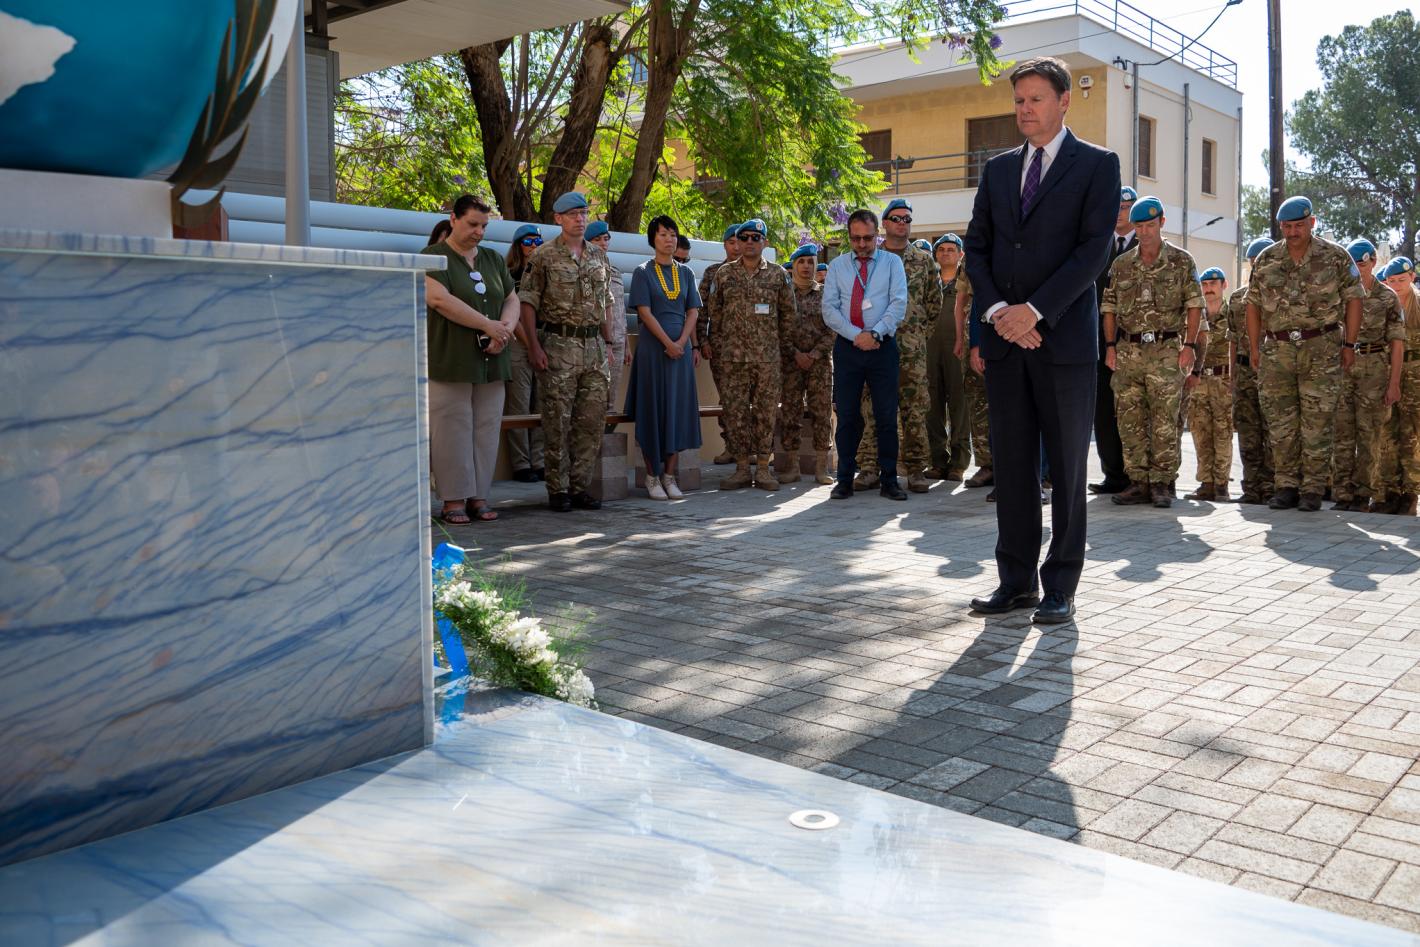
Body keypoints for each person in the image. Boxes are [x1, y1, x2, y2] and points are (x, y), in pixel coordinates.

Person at [963, 55, 1119, 624]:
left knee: (1069, 470)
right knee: (1012, 466)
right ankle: (1016, 581)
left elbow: (1093, 251)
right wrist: (999, 312)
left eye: (1035, 99)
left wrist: (1034, 312)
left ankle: (1060, 586)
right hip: (1005, 342)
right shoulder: (999, 170)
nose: (1024, 110)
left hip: (1063, 344)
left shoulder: (1097, 165)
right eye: (1018, 101)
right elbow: (977, 247)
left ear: (1064, 101)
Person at [1245, 195, 1363, 512]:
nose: (1293, 232)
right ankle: (1285, 486)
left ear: (1312, 223)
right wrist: (1255, 347)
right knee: (1280, 423)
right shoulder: (1267, 259)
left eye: (1299, 226)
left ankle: (1312, 488)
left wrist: (1349, 344)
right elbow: (1253, 306)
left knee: (1318, 422)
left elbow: (1355, 300)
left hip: (1321, 349)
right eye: (1287, 227)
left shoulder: (1336, 257)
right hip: (1278, 351)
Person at [1099, 197, 1203, 509]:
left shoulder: (1182, 261)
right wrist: (1110, 347)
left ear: (1162, 223)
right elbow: (1109, 309)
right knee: (1129, 419)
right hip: (1128, 351)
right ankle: (1138, 482)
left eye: (1150, 225)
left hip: (1166, 350)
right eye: (1140, 226)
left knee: (1164, 420)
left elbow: (1194, 306)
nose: (1144, 232)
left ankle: (1161, 483)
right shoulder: (1121, 265)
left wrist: (1189, 346)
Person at [422, 195, 519, 524]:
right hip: (451, 360)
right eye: (473, 224)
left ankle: (479, 496)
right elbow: (439, 300)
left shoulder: (492, 259)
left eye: (484, 226)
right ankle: (453, 500)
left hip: (493, 360)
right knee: (452, 430)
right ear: (453, 219)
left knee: (486, 429)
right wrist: (487, 325)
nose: (479, 231)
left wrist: (503, 332)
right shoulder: (433, 257)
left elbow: (511, 299)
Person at [519, 191, 616, 513]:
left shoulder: (599, 256)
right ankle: (558, 489)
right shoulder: (543, 256)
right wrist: (533, 345)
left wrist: (609, 344)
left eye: (584, 213)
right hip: (558, 346)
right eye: (573, 214)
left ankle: (579, 487)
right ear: (558, 219)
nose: (580, 219)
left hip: (594, 348)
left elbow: (606, 303)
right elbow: (528, 303)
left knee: (591, 421)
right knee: (557, 421)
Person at [853, 197, 941, 494]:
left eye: (907, 219)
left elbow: (934, 304)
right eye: (897, 218)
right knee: (872, 408)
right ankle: (870, 468)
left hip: (912, 351)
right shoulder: (870, 259)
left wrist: (917, 336)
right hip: (876, 347)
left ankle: (915, 470)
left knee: (914, 410)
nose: (903, 224)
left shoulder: (924, 261)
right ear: (885, 224)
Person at [823, 208, 909, 500]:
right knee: (847, 417)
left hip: (882, 347)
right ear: (849, 237)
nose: (862, 244)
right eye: (856, 238)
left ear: (877, 235)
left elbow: (898, 304)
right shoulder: (837, 266)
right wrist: (856, 336)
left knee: (886, 416)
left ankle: (889, 481)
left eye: (868, 238)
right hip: (848, 349)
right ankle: (844, 480)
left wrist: (875, 334)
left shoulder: (892, 263)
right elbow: (829, 309)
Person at [707, 218, 796, 491]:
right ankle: (742, 469)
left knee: (766, 414)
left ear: (764, 242)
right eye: (743, 237)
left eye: (755, 238)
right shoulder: (724, 274)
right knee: (735, 414)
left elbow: (788, 316)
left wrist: (780, 351)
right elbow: (714, 315)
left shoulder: (778, 275)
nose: (749, 242)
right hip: (732, 360)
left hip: (768, 359)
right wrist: (721, 349)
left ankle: (763, 469)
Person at [625, 215, 702, 500]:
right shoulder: (642, 272)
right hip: (653, 352)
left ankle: (670, 477)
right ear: (652, 239)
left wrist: (681, 343)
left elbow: (693, 311)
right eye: (663, 234)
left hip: (679, 354)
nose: (669, 239)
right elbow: (644, 313)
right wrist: (668, 343)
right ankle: (652, 477)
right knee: (652, 410)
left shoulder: (687, 274)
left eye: (672, 234)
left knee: (676, 411)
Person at [1331, 241, 1404, 512]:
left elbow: (1397, 343)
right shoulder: (1339, 295)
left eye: (1362, 263)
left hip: (1374, 368)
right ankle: (1343, 494)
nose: (1357, 269)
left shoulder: (1387, 297)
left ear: (1373, 262)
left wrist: (1394, 383)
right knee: (1342, 433)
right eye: (1353, 265)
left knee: (1369, 434)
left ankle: (1363, 495)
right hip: (1343, 367)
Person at [1090, 185, 1138, 494]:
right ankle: (1114, 474)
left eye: (1124, 207)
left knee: (1135, 410)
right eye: (1115, 207)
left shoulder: (1145, 246)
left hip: (1136, 343)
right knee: (1104, 410)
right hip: (1098, 342)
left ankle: (1140, 477)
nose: (1119, 212)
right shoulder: (1098, 245)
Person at [779, 243, 835, 485]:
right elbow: (777, 328)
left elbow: (833, 328)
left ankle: (822, 468)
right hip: (790, 364)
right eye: (801, 262)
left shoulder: (826, 294)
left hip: (819, 364)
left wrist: (813, 354)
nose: (806, 266)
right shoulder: (784, 294)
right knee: (790, 413)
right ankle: (792, 466)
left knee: (821, 413)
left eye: (810, 262)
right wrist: (795, 354)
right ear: (793, 266)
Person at [1227, 237, 1276, 504]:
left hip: (1273, 371)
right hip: (1245, 371)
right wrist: (1232, 375)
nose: (1257, 266)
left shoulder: (1279, 296)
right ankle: (1251, 487)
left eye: (1262, 262)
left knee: (1273, 430)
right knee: (1247, 432)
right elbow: (1233, 339)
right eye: (1253, 262)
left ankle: (1271, 487)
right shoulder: (1237, 298)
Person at [1185, 267, 1235, 501]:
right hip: (1199, 380)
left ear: (1224, 285)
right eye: (1204, 285)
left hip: (1223, 380)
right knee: (1200, 431)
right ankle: (1206, 483)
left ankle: (1221, 485)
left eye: (1213, 284)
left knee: (1223, 432)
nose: (1208, 289)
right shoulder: (1195, 316)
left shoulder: (1233, 314)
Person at [503, 222, 546, 483]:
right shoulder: (510, 274)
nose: (533, 246)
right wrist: (531, 344)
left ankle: (539, 461)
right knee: (519, 405)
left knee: (541, 404)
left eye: (538, 241)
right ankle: (521, 464)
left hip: (544, 340)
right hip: (519, 342)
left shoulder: (545, 272)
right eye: (528, 241)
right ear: (518, 246)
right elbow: (512, 313)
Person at [926, 233, 971, 481]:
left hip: (957, 349)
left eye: (951, 249)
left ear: (961, 254)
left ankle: (958, 463)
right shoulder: (929, 280)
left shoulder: (967, 281)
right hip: (930, 349)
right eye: (941, 249)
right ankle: (937, 461)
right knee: (931, 406)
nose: (945, 253)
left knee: (959, 405)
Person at [1380, 257, 1420, 514]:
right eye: (1392, 281)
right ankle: (1389, 491)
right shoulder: (1385, 304)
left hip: (1416, 374)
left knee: (1412, 434)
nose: (1396, 285)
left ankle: (1410, 493)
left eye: (1402, 280)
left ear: (1412, 277)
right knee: (1387, 432)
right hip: (1387, 372)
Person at [699, 224, 741, 464]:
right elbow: (701, 309)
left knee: (753, 398)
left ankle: (752, 449)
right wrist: (702, 340)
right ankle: (731, 446)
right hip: (721, 346)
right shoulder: (713, 272)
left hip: (754, 348)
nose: (736, 247)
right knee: (727, 396)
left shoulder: (758, 272)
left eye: (739, 242)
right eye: (731, 242)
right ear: (724, 245)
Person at [586, 220, 631, 418]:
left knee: (611, 401)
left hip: (618, 341)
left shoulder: (615, 272)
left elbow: (620, 310)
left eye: (606, 239)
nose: (603, 243)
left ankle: (607, 437)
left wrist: (627, 345)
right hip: (597, 341)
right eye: (597, 239)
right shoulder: (584, 269)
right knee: (594, 399)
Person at [954, 265, 994, 488]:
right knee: (978, 402)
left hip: (1013, 331)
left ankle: (1037, 470)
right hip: (976, 336)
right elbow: (961, 301)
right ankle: (987, 464)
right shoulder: (974, 255)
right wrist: (961, 339)